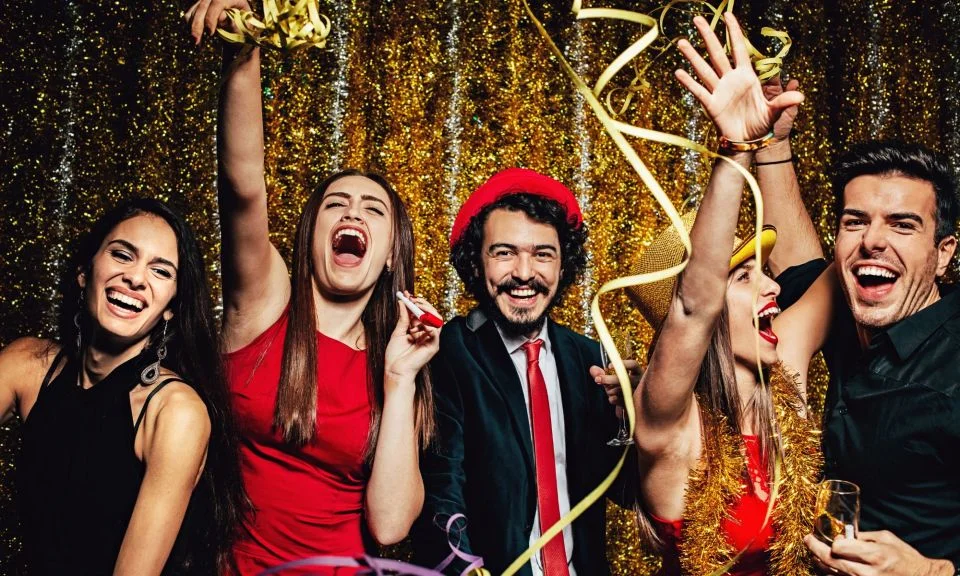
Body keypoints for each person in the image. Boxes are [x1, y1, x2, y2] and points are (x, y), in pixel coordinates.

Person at [186, 2, 439, 572]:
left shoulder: (399, 361)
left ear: (390, 254)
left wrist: (401, 378)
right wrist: (243, 48)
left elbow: (391, 524)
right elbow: (243, 187)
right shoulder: (265, 302)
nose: (353, 212)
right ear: (310, 236)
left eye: (374, 209)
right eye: (336, 204)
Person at [624, 14, 831, 575]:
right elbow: (693, 306)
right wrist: (736, 150)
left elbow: (839, 273)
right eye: (743, 277)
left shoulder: (782, 376)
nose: (772, 286)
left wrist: (774, 146)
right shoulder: (672, 425)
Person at [0, 198, 247, 575]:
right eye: (121, 255)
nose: (136, 278)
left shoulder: (175, 412)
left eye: (160, 271)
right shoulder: (27, 364)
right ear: (85, 272)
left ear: (171, 308)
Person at [411, 166, 630, 576]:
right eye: (504, 253)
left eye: (542, 254)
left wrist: (637, 416)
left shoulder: (592, 359)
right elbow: (442, 491)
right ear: (477, 262)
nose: (525, 273)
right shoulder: (449, 351)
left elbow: (630, 493)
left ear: (563, 265)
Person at [760, 136, 960, 571]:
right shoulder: (851, 309)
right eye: (855, 222)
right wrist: (772, 142)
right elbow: (793, 262)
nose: (872, 240)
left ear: (943, 253)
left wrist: (932, 571)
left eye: (902, 225)